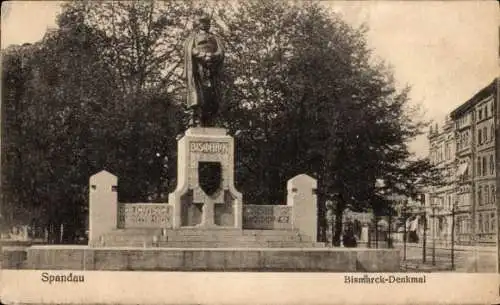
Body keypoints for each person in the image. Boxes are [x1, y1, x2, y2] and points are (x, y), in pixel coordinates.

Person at [183, 15, 224, 127]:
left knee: (212, 93)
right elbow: (189, 49)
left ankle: (211, 119)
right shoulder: (193, 37)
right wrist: (202, 55)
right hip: (198, 67)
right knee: (199, 92)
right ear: (199, 24)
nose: (206, 24)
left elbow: (221, 51)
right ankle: (196, 119)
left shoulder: (215, 38)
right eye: (203, 22)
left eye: (207, 22)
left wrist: (212, 56)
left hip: (212, 68)